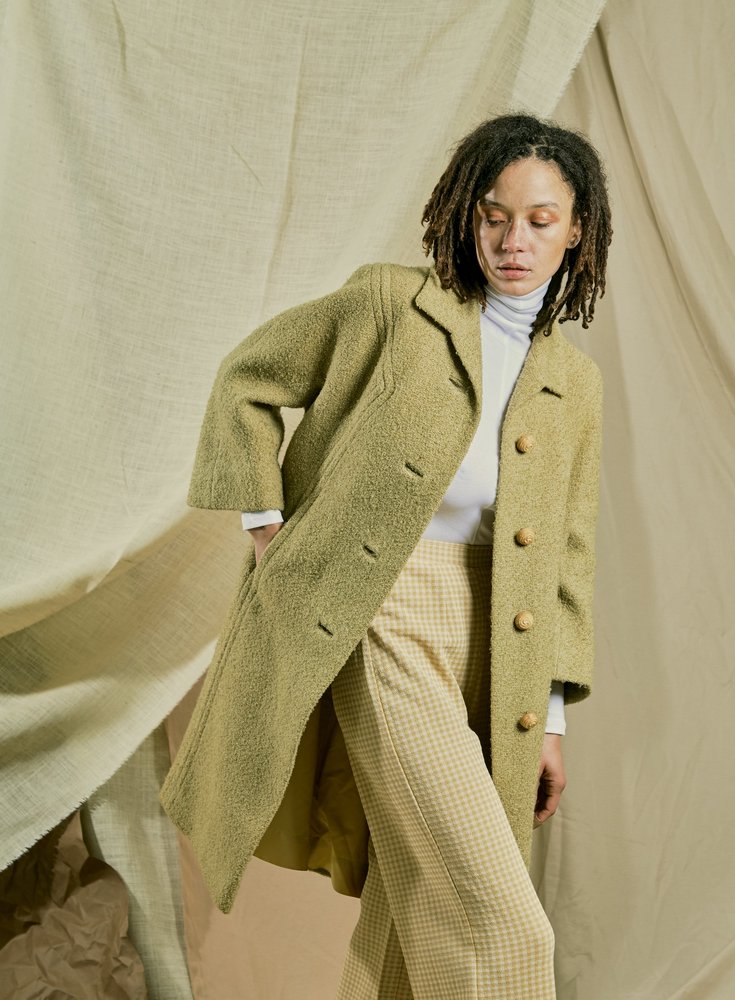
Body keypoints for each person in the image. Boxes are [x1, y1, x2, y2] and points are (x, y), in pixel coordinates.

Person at [160, 111, 611, 999]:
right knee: (500, 919)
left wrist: (553, 718)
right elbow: (249, 380)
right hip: (384, 608)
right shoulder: (390, 304)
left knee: (415, 903)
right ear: (467, 215)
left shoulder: (577, 383)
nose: (512, 241)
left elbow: (567, 555)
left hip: (501, 641)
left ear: (577, 231)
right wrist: (267, 522)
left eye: (539, 220)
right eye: (494, 216)